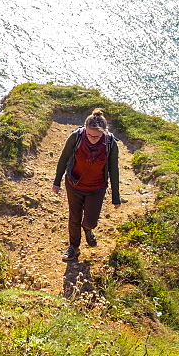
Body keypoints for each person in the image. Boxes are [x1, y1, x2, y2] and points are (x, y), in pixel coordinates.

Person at [51, 108, 122, 262]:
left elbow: (114, 171)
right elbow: (63, 159)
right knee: (74, 217)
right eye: (89, 135)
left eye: (97, 136)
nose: (92, 139)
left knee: (90, 221)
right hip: (74, 184)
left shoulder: (110, 144)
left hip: (97, 188)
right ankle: (74, 247)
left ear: (104, 132)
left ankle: (88, 229)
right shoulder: (75, 137)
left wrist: (116, 197)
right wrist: (56, 182)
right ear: (84, 129)